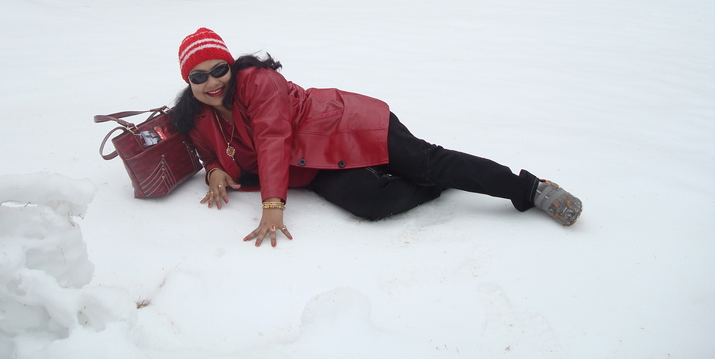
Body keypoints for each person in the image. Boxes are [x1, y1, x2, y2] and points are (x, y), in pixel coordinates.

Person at [171, 28, 582, 247]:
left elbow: (273, 139)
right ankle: (437, 185)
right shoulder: (195, 117)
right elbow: (212, 153)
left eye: (219, 69)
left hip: (344, 125)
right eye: (198, 76)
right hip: (310, 165)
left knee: (426, 162)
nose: (212, 82)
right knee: (372, 203)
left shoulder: (258, 83)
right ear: (188, 82)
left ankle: (529, 189)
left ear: (232, 66)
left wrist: (273, 206)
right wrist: (214, 173)